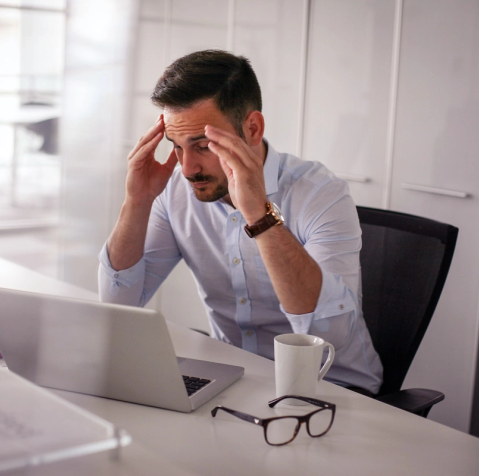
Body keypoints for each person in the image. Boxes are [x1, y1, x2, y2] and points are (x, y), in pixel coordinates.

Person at [98, 50, 382, 394]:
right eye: (176, 147)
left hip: (332, 389)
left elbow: (325, 336)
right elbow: (118, 307)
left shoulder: (320, 193)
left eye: (203, 146)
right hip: (236, 381)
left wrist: (259, 214)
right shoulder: (176, 189)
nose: (187, 169)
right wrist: (137, 202)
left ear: (251, 128)